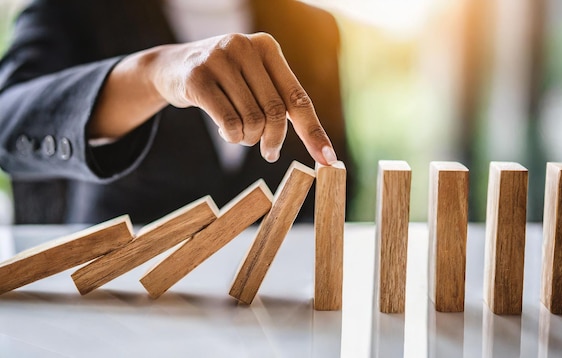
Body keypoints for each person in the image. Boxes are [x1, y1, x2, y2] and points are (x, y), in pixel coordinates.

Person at [0, 0, 352, 223]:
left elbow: (332, 163)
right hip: (121, 306)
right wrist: (151, 74)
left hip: (278, 313)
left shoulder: (315, 28)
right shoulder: (74, 9)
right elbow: (8, 124)